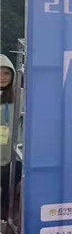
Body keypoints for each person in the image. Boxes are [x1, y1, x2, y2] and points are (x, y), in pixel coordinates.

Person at [1, 55, 20, 222]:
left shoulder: (19, 98)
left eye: (6, 73)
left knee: (9, 194)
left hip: (12, 159)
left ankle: (6, 223)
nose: (2, 77)